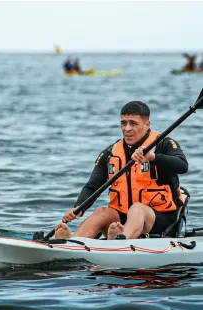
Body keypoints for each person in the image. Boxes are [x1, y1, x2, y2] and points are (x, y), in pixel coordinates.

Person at [54, 101, 188, 241]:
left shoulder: (163, 144)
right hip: (121, 220)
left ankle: (119, 241)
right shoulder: (111, 152)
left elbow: (182, 166)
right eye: (123, 123)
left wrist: (152, 157)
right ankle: (72, 243)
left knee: (137, 209)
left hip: (161, 219)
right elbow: (93, 185)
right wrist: (78, 208)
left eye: (133, 123)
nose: (127, 129)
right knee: (102, 212)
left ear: (147, 125)